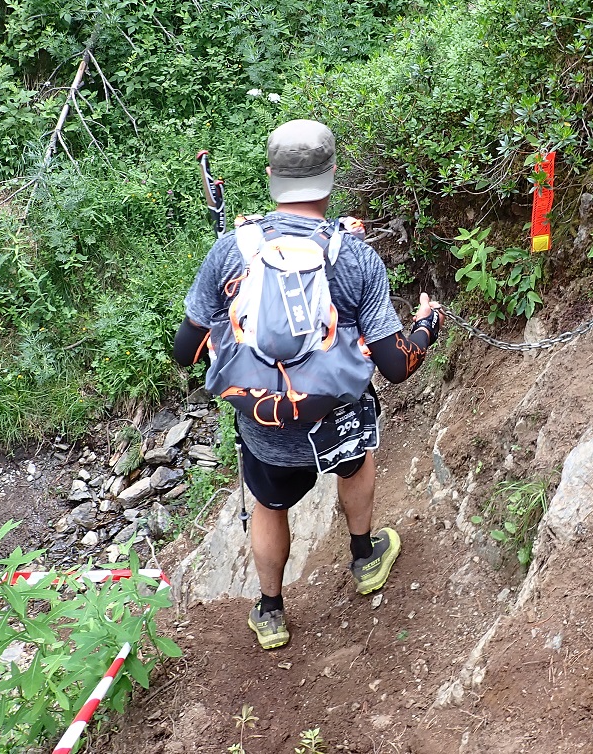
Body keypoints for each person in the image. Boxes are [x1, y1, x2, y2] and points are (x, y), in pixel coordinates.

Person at [173, 119, 442, 650]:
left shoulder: (233, 250)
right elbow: (395, 364)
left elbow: (186, 352)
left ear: (272, 176)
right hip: (337, 413)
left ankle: (271, 613)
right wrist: (426, 327)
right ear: (332, 174)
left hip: (265, 422)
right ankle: (365, 559)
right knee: (357, 461)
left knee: (269, 506)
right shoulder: (355, 256)